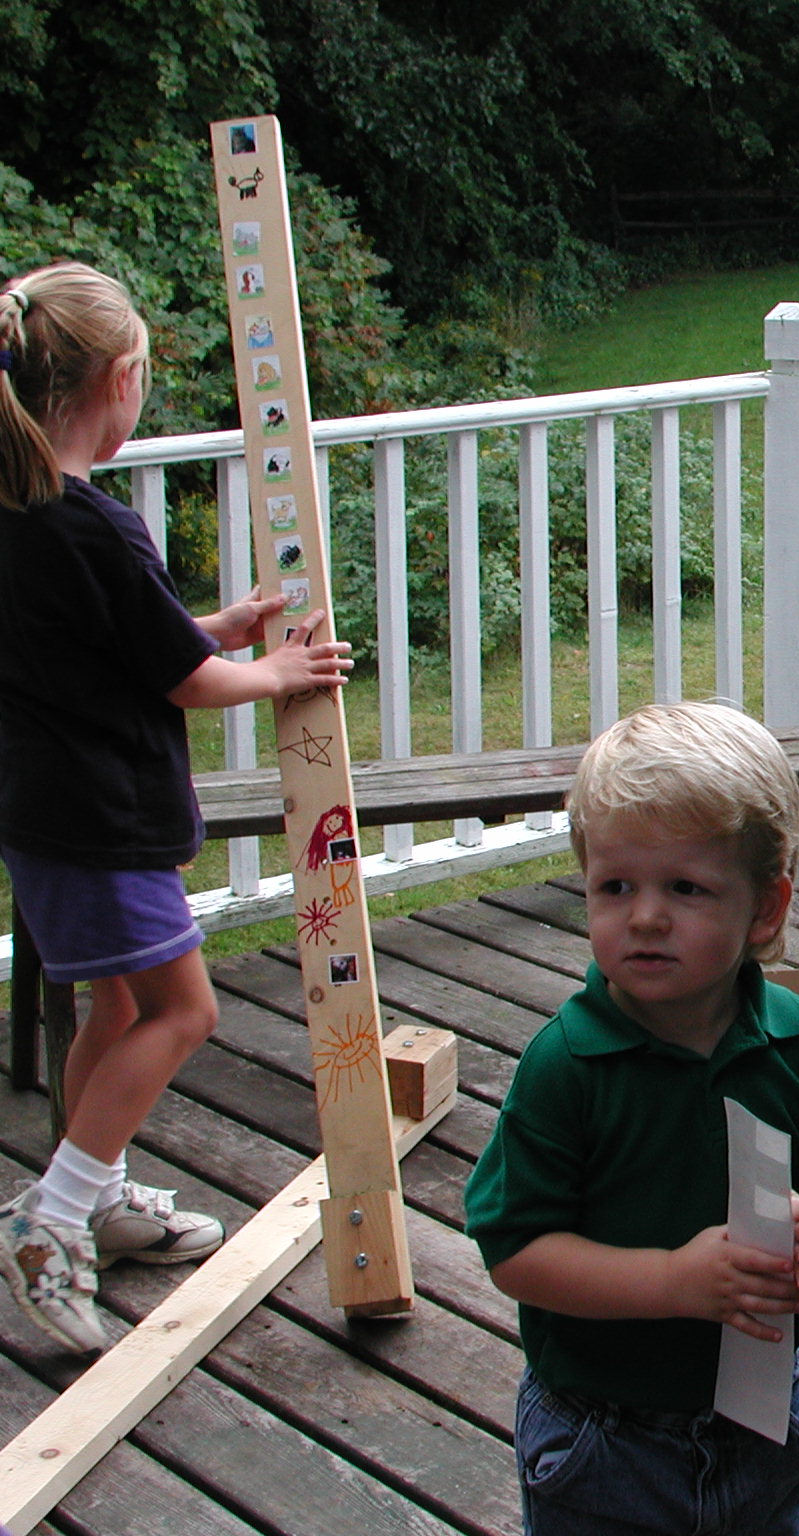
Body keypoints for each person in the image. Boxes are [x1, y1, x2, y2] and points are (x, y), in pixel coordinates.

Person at [0, 262, 354, 1354]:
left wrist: (212, 625)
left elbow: (105, 642)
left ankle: (97, 1199)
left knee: (114, 1010)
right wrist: (277, 670)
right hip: (104, 825)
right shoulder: (97, 527)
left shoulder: (20, 513)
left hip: (41, 819)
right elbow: (181, 682)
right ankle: (51, 1219)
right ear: (119, 380)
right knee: (182, 1012)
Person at [465, 702, 799, 1536]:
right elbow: (516, 1251)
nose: (646, 916)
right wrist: (675, 1282)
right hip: (602, 1436)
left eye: (686, 888)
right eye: (615, 886)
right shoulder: (568, 1066)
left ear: (766, 908)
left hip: (764, 1415)